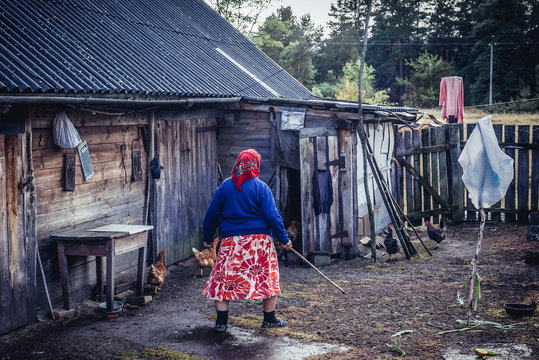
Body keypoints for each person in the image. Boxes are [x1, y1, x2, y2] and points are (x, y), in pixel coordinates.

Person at [201, 149, 292, 332]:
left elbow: (212, 213)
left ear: (238, 164)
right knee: (267, 278)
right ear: (255, 165)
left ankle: (221, 323)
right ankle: (269, 319)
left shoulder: (225, 186)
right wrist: (284, 239)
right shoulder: (261, 188)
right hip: (259, 243)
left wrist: (208, 238)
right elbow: (272, 216)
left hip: (230, 243)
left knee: (224, 281)